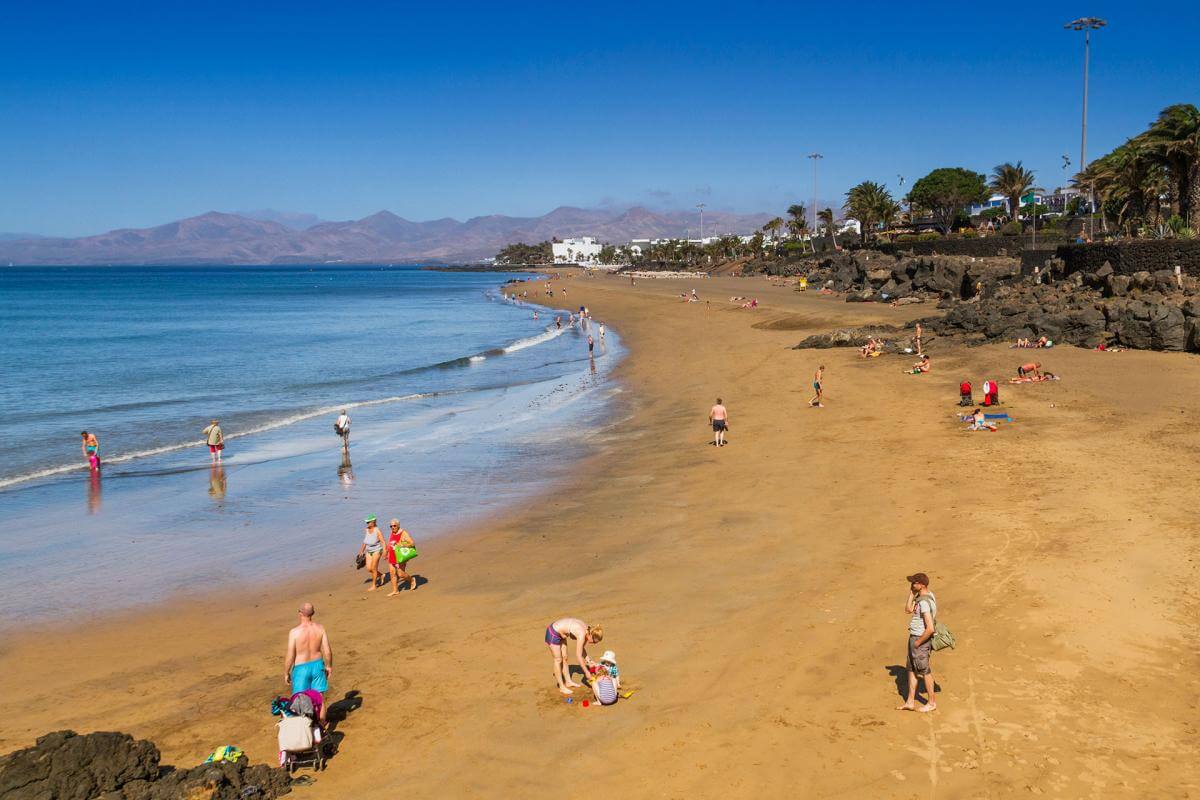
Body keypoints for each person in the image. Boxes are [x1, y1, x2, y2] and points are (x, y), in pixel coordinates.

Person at [897, 573, 938, 713]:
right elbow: (908, 609)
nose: (912, 585)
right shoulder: (924, 597)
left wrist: (918, 642)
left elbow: (930, 628)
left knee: (924, 671)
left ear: (922, 585)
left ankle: (932, 702)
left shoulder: (924, 603)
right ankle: (910, 702)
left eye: (914, 583)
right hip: (914, 638)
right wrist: (911, 593)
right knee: (911, 670)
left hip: (920, 640)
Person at [285, 602, 333, 724]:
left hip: (301, 668)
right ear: (313, 613)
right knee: (320, 699)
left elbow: (290, 655)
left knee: (301, 700)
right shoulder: (320, 628)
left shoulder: (294, 632)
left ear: (300, 613)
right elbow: (327, 651)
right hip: (317, 665)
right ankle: (321, 729)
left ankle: (306, 729)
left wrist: (286, 672)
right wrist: (328, 666)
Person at [545, 618, 603, 695]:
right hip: (553, 633)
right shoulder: (582, 634)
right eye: (594, 641)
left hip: (562, 635)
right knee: (558, 660)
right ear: (590, 635)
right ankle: (562, 687)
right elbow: (578, 656)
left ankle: (568, 682)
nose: (594, 643)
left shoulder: (588, 631)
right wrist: (586, 672)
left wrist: (589, 661)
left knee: (565, 658)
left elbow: (581, 648)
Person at [385, 519, 418, 596]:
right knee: (392, 573)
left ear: (398, 525)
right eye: (391, 526)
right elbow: (390, 543)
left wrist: (402, 545)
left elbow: (412, 543)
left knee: (400, 574)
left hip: (400, 556)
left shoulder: (403, 533)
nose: (392, 527)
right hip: (392, 556)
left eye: (394, 525)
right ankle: (395, 590)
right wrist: (387, 551)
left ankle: (412, 580)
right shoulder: (392, 532)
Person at [358, 514, 386, 590]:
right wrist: (361, 551)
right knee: (369, 569)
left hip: (377, 550)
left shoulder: (377, 531)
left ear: (373, 522)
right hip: (368, 551)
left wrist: (384, 552)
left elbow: (383, 542)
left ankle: (374, 585)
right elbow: (365, 541)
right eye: (367, 522)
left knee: (373, 568)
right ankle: (381, 575)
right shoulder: (366, 530)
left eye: (368, 522)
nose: (367, 524)